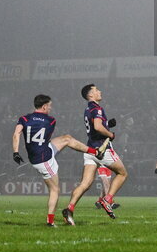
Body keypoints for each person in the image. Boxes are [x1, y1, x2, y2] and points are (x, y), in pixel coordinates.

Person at [12, 94, 108, 226]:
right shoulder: (50, 121)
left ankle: (95, 152)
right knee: (55, 190)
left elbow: (16, 133)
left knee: (67, 138)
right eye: (49, 106)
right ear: (44, 106)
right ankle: (50, 222)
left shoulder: (24, 118)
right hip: (44, 159)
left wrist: (16, 152)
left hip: (37, 153)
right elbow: (46, 137)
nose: (50, 108)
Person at [61, 83, 129, 225]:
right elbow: (98, 127)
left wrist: (108, 124)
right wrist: (110, 133)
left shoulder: (88, 109)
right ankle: (107, 199)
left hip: (90, 150)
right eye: (96, 90)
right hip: (102, 150)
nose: (100, 91)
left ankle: (69, 208)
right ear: (90, 95)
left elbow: (95, 126)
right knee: (123, 174)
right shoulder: (97, 108)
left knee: (85, 183)